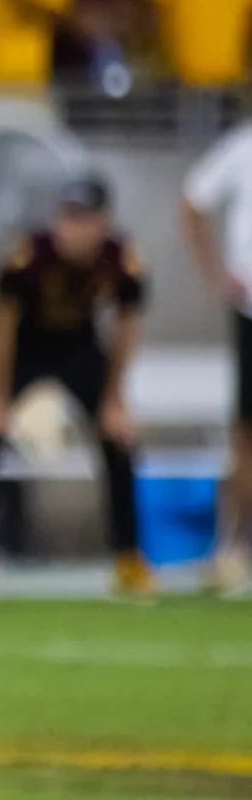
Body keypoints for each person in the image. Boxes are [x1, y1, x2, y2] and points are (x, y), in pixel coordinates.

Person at [0, 178, 152, 601]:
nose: (70, 229)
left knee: (118, 442)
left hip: (79, 345)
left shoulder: (122, 259)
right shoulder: (29, 255)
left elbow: (125, 326)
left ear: (102, 222)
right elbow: (0, 325)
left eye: (81, 219)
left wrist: (115, 400)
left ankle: (129, 559)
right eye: (65, 217)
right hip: (24, 347)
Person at [181, 116, 252, 593]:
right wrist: (216, 272)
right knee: (246, 437)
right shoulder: (245, 145)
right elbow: (193, 200)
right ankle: (233, 547)